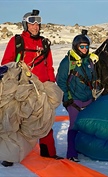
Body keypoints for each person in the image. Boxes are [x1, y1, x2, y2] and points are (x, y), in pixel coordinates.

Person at [1, 9, 62, 167]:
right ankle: (9, 155)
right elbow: (7, 62)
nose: (35, 26)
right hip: (21, 89)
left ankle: (48, 151)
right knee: (16, 120)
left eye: (37, 24)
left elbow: (49, 66)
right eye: (31, 23)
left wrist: (51, 83)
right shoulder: (17, 41)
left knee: (45, 120)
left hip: (40, 88)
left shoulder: (44, 43)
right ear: (25, 24)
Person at [56, 30, 99, 162]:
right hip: (73, 99)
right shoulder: (67, 62)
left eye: (87, 46)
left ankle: (83, 148)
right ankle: (71, 153)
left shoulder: (89, 61)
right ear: (76, 46)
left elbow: (94, 78)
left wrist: (95, 90)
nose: (85, 49)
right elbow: (60, 80)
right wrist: (67, 96)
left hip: (88, 98)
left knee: (87, 125)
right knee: (74, 125)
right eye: (82, 46)